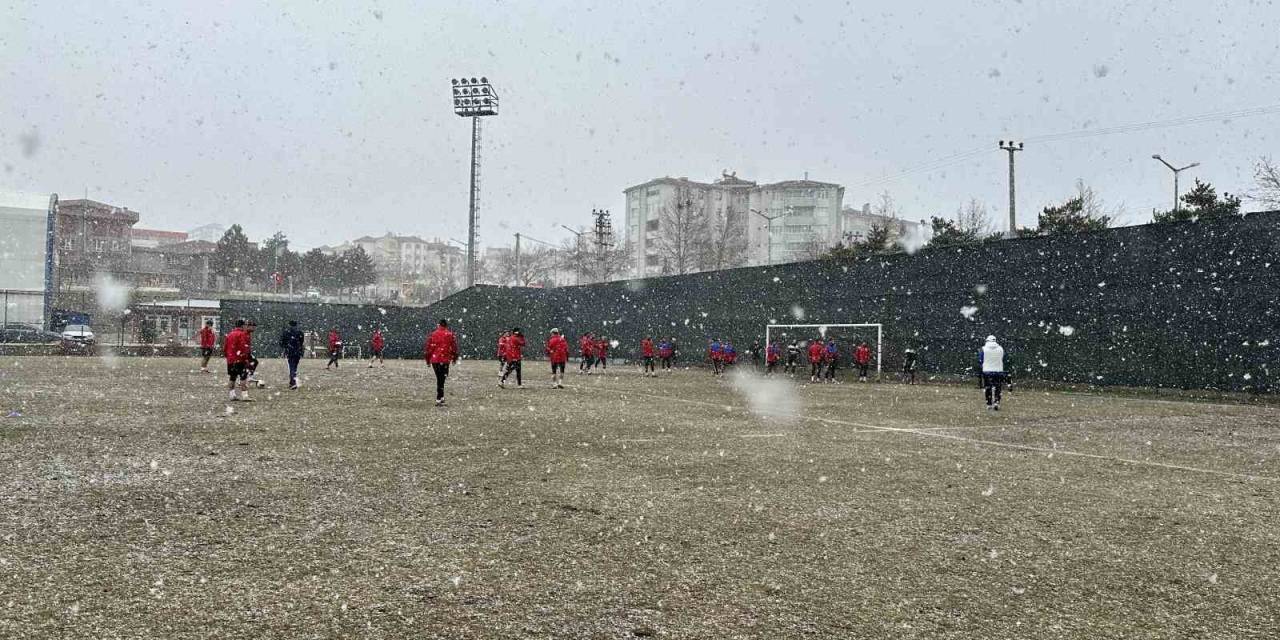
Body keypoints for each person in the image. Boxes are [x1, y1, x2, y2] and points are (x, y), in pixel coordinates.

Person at [424, 319, 459, 406]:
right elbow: (454, 348)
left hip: (435, 360)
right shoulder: (450, 335)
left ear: (438, 325)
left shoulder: (433, 334)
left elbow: (428, 348)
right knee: (442, 378)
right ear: (446, 325)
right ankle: (439, 398)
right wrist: (454, 358)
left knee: (440, 378)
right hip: (445, 360)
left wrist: (428, 360)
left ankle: (441, 397)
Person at [223, 319, 253, 401]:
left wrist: (228, 356)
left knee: (232, 377)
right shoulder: (242, 334)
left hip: (231, 360)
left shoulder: (229, 334)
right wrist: (246, 357)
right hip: (240, 359)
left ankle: (232, 395)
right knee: (243, 377)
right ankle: (245, 395)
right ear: (243, 325)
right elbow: (244, 347)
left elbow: (225, 347)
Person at [979, 335, 1007, 411]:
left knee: (988, 388)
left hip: (987, 371)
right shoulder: (1001, 349)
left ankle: (989, 404)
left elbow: (981, 360)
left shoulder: (983, 349)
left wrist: (983, 366)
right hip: (998, 371)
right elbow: (1003, 359)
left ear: (987, 340)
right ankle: (996, 402)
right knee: (998, 388)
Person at [280, 320, 305, 389]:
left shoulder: (286, 333)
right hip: (297, 352)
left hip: (290, 351)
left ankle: (292, 382)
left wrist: (286, 347)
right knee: (295, 367)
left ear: (289, 325)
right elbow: (301, 342)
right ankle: (292, 381)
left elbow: (281, 342)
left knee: (291, 367)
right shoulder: (300, 333)